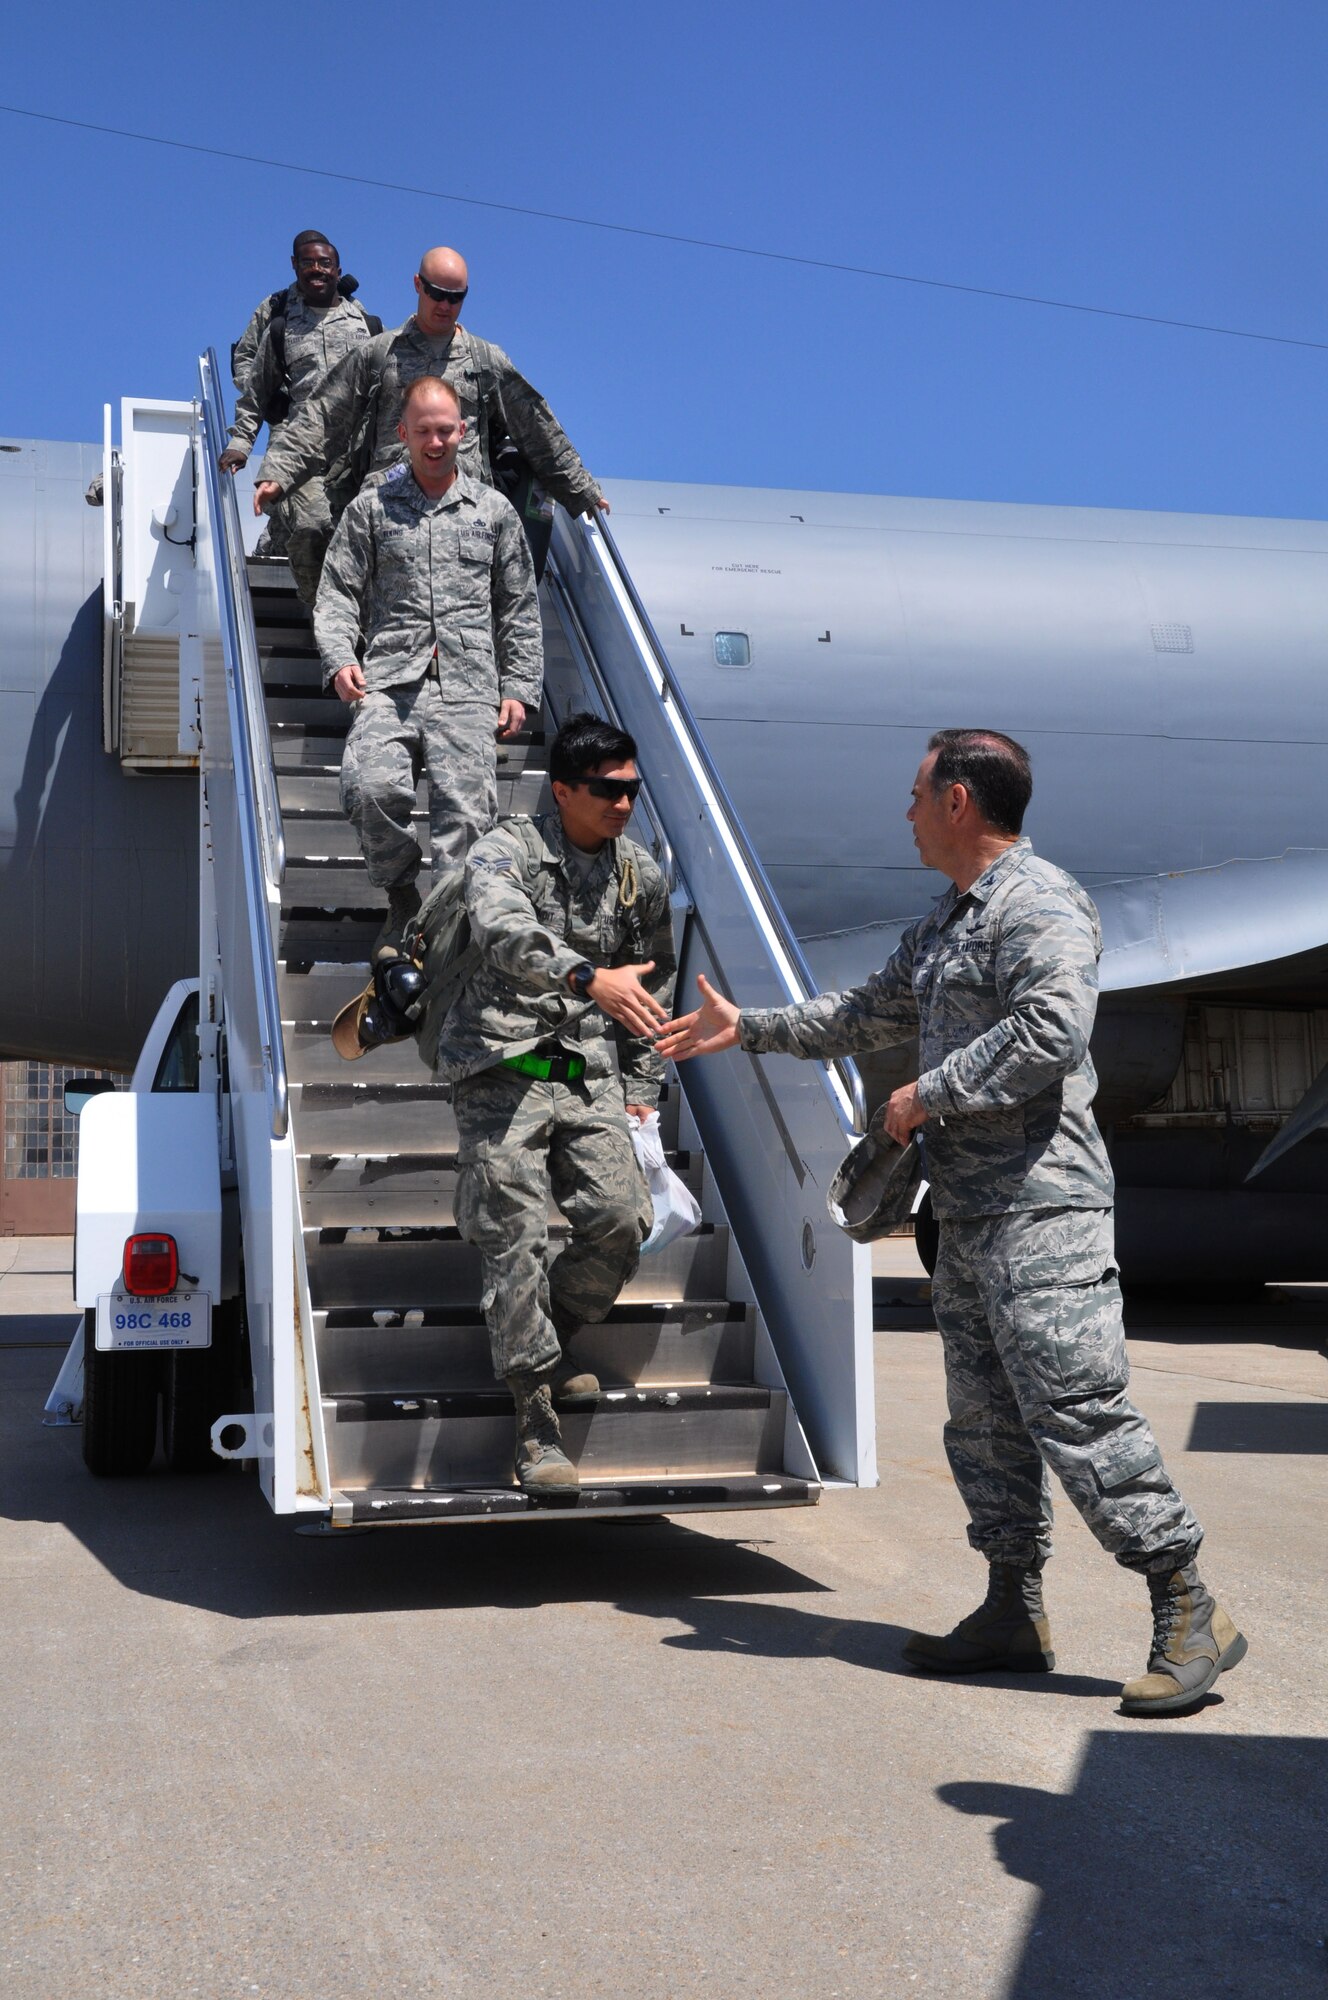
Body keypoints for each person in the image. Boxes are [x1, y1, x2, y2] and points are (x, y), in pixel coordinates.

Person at [657, 728, 1247, 1717]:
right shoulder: (945, 923)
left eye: (917, 793)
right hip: (969, 1216)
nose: (906, 811)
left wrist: (924, 1095)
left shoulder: (1039, 903)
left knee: (1076, 1411)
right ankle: (1010, 1608)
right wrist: (747, 1027)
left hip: (1041, 1209)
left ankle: (1187, 1605)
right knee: (983, 1423)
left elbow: (1052, 1029)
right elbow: (864, 1010)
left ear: (960, 801)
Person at [436, 712, 675, 1494]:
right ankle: (536, 1426)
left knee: (620, 1220)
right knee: (514, 1233)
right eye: (608, 790)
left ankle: (549, 1335)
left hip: (579, 1064)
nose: (624, 804)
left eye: (633, 790)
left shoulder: (639, 874)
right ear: (562, 789)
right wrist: (583, 977)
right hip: (500, 1058)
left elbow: (651, 987)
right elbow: (502, 928)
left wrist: (643, 1095)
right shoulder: (506, 851)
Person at [313, 375, 542, 959]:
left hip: (468, 688)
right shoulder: (372, 510)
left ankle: (444, 939)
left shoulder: (494, 513)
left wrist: (519, 687)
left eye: (446, 431)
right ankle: (401, 898)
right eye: (424, 432)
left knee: (465, 823)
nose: (436, 442)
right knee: (368, 787)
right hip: (389, 680)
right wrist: (339, 656)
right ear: (403, 434)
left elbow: (518, 604)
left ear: (463, 432)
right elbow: (337, 589)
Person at [251, 244, 608, 542]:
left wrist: (582, 491)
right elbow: (324, 414)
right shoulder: (379, 353)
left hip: (464, 515)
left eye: (456, 298)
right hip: (389, 510)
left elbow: (536, 425)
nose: (445, 306)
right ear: (418, 285)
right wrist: (278, 472)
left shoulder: (485, 360)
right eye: (437, 294)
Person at [220, 234, 378, 605]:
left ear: (338, 269)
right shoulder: (277, 315)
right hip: (294, 441)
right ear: (294, 265)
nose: (317, 270)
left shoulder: (363, 320)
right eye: (308, 263)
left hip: (352, 450)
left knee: (350, 532)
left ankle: (280, 537)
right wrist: (242, 440)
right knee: (311, 525)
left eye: (324, 264)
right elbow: (250, 370)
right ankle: (323, 614)